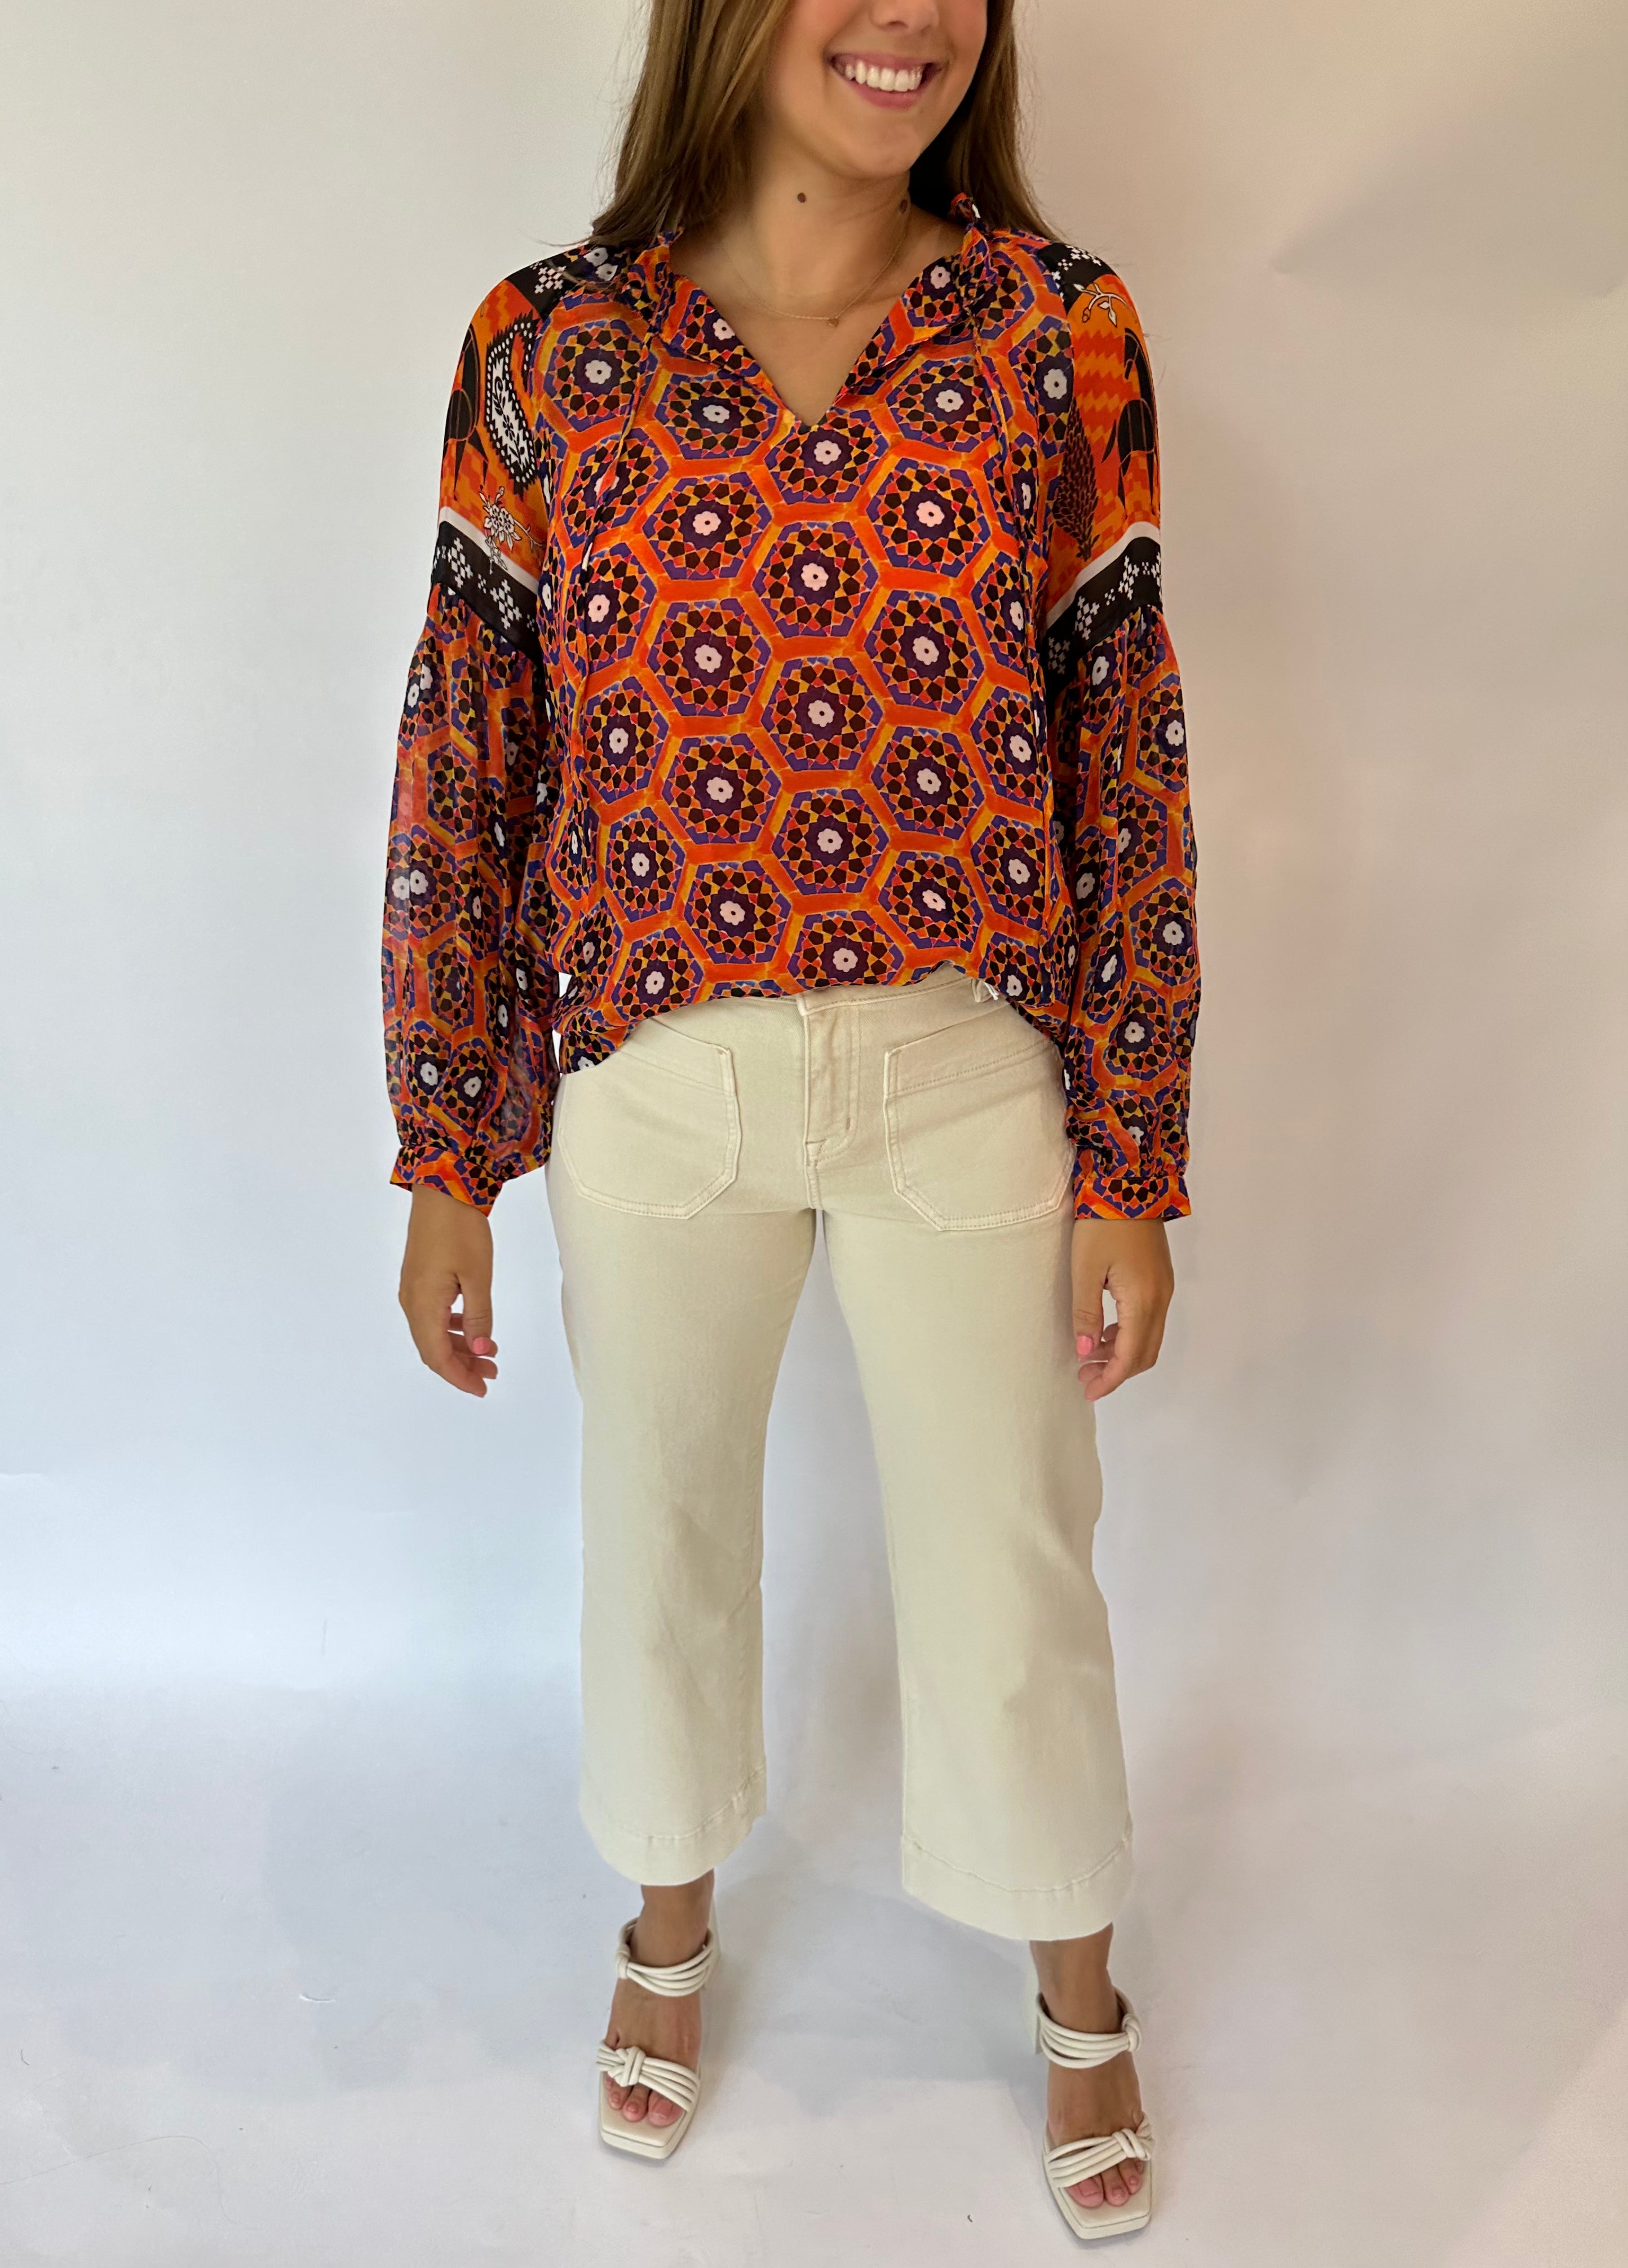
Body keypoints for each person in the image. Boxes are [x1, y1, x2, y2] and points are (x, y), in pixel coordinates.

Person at [383, 0, 1196, 2240]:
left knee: (1012, 1549)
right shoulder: (549, 345)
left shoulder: (1055, 333)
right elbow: (469, 745)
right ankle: (665, 1932)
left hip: (967, 1063)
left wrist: (1133, 1150)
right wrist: (448, 1147)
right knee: (655, 1531)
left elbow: (1124, 740)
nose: (909, 17)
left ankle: (1076, 1987)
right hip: (662, 1082)